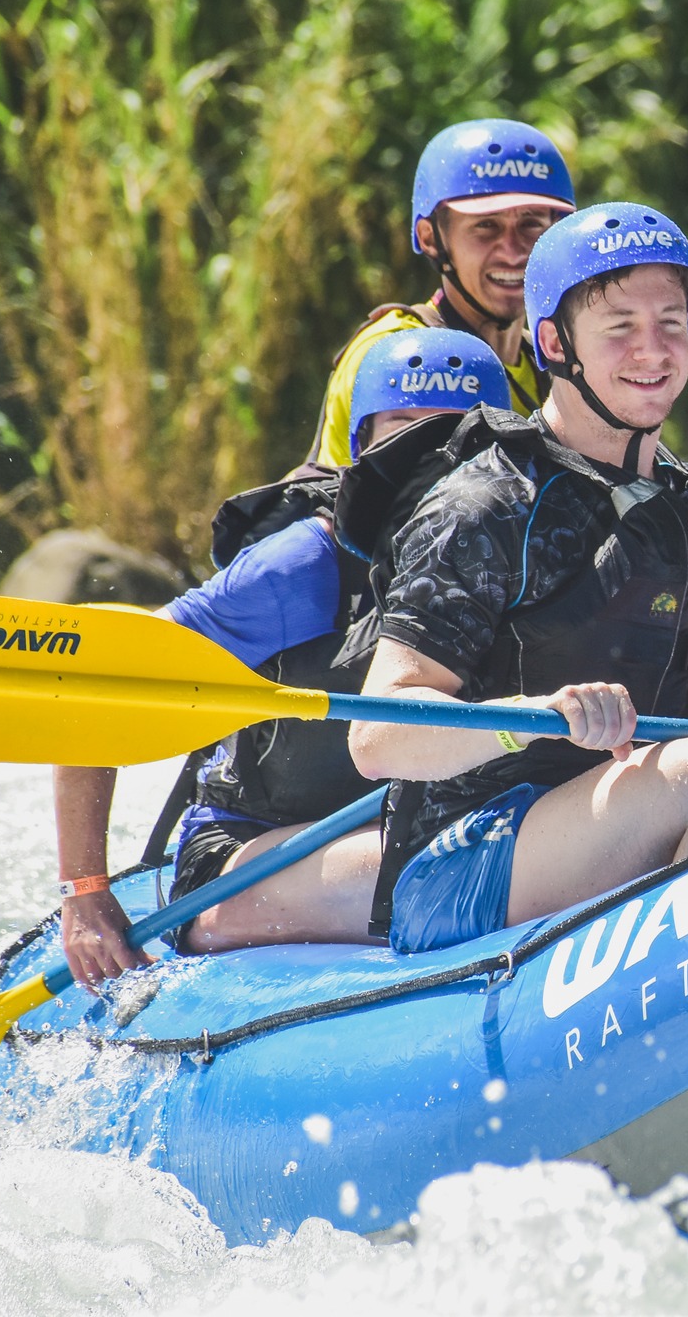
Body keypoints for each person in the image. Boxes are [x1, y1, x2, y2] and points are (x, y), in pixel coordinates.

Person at [326, 201, 688, 955]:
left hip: (622, 827)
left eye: (671, 323)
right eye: (621, 328)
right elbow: (379, 734)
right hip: (466, 866)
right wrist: (532, 713)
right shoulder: (484, 504)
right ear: (553, 342)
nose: (654, 349)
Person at [53, 329, 510, 989]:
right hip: (246, 862)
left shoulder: (524, 550)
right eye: (403, 430)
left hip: (414, 826)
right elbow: (100, 688)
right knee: (481, 865)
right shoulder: (304, 568)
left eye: (457, 439)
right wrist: (85, 890)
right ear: (361, 450)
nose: (429, 459)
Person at [306, 117, 688, 542]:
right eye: (486, 227)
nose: (514, 250)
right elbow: (424, 531)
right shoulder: (399, 351)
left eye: (533, 225)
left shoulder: (552, 356)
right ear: (433, 237)